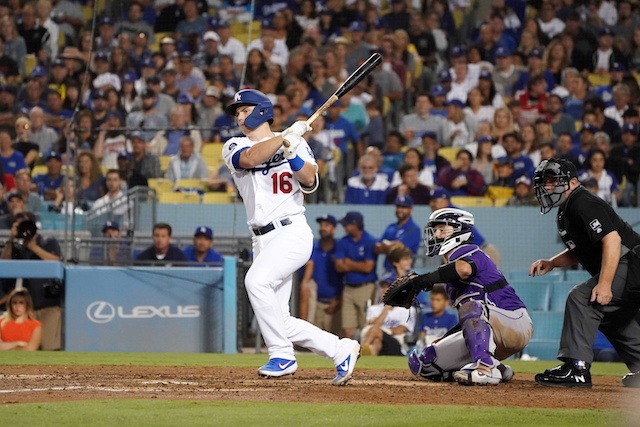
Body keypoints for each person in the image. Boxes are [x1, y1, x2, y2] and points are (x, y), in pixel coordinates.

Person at [222, 89, 360, 385]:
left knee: (255, 282)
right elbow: (249, 158)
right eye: (237, 112)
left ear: (261, 110)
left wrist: (291, 149)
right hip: (261, 239)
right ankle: (340, 349)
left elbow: (309, 179)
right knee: (279, 319)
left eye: (244, 110)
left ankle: (282, 354)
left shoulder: (294, 143)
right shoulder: (235, 144)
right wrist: (284, 137)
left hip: (292, 231)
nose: (239, 116)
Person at [529, 158, 640, 388]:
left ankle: (576, 368)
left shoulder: (583, 202)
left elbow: (612, 240)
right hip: (629, 265)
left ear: (572, 182)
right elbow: (580, 250)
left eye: (552, 181)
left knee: (582, 298)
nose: (547, 187)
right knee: (611, 316)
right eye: (544, 182)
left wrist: (605, 284)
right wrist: (552, 263)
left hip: (633, 263)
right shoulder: (566, 210)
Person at [407, 208, 533, 385]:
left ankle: (485, 367)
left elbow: (465, 270)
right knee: (427, 363)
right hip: (493, 328)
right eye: (435, 229)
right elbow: (473, 321)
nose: (436, 234)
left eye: (443, 229)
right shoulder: (451, 274)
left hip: (514, 322)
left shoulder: (468, 251)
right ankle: (499, 368)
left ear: (459, 231)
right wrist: (446, 338)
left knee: (471, 307)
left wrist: (425, 279)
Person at [0, 212, 63, 350]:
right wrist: (11, 239)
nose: (25, 230)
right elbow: (3, 264)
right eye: (20, 225)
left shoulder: (48, 242)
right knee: (23, 348)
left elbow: (56, 262)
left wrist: (33, 247)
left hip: (48, 304)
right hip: (24, 307)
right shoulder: (16, 246)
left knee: (49, 347)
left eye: (27, 224)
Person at [334, 211, 377, 340]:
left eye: (347, 224)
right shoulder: (343, 242)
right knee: (347, 329)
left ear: (355, 224)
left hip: (366, 287)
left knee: (366, 325)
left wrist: (349, 263)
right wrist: (359, 265)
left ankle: (366, 354)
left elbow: (368, 267)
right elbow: (339, 266)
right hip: (348, 288)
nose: (344, 226)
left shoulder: (369, 240)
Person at [299, 214, 343, 336]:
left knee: (336, 342)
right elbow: (307, 273)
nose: (323, 228)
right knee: (315, 343)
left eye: (327, 225)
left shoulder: (339, 248)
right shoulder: (312, 247)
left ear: (334, 229)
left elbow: (346, 279)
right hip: (316, 304)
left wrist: (338, 301)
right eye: (321, 225)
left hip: (335, 305)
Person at [360, 271, 417, 357]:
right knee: (376, 341)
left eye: (388, 287)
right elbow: (369, 329)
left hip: (397, 344)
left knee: (375, 331)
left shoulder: (407, 309)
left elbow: (401, 329)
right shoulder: (374, 309)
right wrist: (386, 309)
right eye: (383, 287)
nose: (384, 290)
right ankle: (367, 365)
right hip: (380, 342)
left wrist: (382, 331)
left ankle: (359, 353)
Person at [375, 195, 422, 272]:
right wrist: (391, 245)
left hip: (404, 273)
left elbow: (399, 248)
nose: (400, 210)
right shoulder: (391, 227)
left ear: (411, 209)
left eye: (404, 207)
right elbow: (377, 248)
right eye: (398, 207)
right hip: (388, 271)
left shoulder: (414, 229)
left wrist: (384, 243)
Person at [415, 284, 458, 350]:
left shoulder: (451, 318)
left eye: (438, 300)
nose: (434, 303)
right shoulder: (425, 316)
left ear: (446, 302)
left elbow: (452, 338)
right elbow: (421, 336)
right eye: (432, 299)